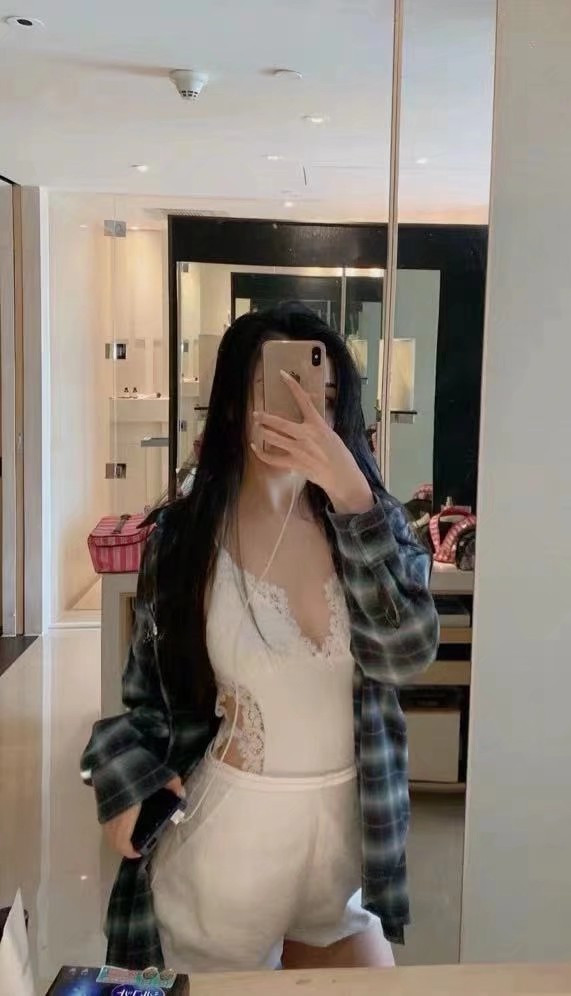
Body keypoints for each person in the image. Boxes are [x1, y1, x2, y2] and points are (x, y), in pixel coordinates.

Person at [81, 302, 439, 973]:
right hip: (227, 858)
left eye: (322, 397)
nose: (301, 413)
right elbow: (146, 701)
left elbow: (406, 655)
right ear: (230, 407)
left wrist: (354, 501)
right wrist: (123, 779)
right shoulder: (185, 538)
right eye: (273, 390)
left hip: (340, 867)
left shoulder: (371, 520)